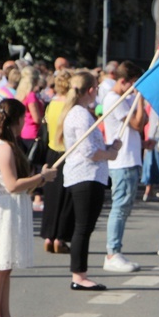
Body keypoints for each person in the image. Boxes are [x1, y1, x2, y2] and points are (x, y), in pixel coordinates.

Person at [0, 98, 57, 317]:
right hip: (3, 209)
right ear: (18, 119)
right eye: (24, 118)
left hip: (10, 207)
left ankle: (5, 315)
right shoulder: (2, 147)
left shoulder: (4, 144)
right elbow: (12, 185)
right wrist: (42, 178)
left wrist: (38, 177)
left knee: (6, 264)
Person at [59, 71, 121, 290]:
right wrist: (109, 154)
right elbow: (89, 151)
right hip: (86, 175)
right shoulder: (80, 115)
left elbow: (92, 148)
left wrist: (109, 148)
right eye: (96, 86)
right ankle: (79, 275)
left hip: (88, 175)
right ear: (91, 90)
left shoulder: (81, 113)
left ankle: (80, 273)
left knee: (84, 227)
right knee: (83, 228)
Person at [102, 61, 147, 273]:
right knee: (119, 207)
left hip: (131, 158)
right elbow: (137, 124)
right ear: (123, 81)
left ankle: (116, 250)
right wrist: (139, 99)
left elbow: (142, 122)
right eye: (133, 83)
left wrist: (138, 98)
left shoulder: (126, 97)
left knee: (125, 207)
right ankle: (112, 252)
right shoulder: (113, 98)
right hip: (122, 161)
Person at [40, 71, 74, 255]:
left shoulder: (51, 103)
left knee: (52, 197)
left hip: (52, 151)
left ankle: (48, 236)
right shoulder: (70, 105)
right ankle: (60, 238)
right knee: (66, 197)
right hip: (66, 152)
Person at [15, 65, 45, 212]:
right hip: (33, 132)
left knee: (27, 164)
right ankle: (37, 196)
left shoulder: (20, 93)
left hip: (23, 132)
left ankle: (30, 192)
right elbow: (36, 117)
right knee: (36, 165)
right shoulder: (31, 95)